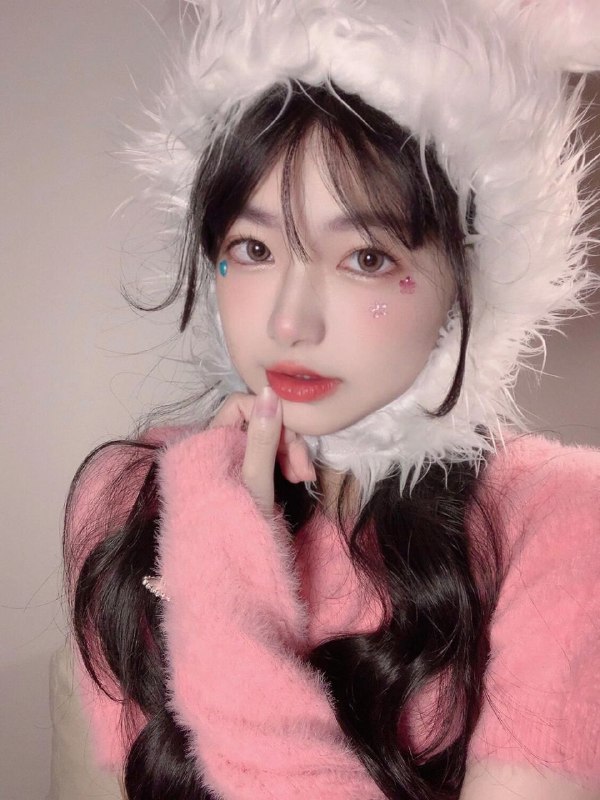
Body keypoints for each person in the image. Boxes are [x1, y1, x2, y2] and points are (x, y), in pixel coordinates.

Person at [63, 1, 600, 798]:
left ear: (471, 275)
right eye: (253, 247)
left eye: (366, 259)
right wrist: (204, 514)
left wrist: (220, 585)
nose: (290, 321)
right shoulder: (133, 495)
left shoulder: (558, 518)